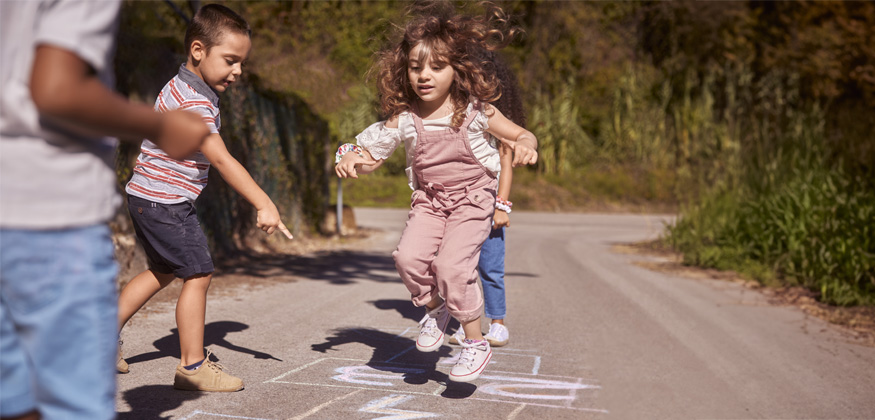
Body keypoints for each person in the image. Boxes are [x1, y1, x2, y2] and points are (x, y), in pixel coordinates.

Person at [0, 0, 209, 418]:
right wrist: (159, 126)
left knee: (20, 402)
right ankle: (194, 363)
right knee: (70, 404)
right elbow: (57, 88)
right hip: (50, 214)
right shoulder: (187, 96)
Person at [335, 2, 537, 383]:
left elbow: (521, 134)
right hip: (429, 202)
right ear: (405, 70)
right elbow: (370, 155)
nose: (424, 76)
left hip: (473, 202)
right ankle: (436, 308)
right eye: (415, 67)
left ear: (456, 69)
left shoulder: (477, 111)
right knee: (407, 258)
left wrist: (527, 145)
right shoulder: (406, 118)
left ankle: (475, 342)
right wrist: (348, 157)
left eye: (436, 67)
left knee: (451, 267)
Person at [115, 4, 292, 392]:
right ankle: (192, 366)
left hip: (145, 196)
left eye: (242, 62)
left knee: (162, 270)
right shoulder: (195, 104)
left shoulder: (183, 87)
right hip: (166, 202)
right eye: (230, 60)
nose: (238, 71)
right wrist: (264, 202)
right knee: (198, 273)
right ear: (198, 50)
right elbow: (222, 160)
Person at [450, 51, 526, 348]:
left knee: (490, 268)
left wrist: (502, 206)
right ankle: (469, 323)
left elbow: (506, 168)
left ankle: (497, 323)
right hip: (462, 207)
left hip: (490, 208)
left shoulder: (497, 130)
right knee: (462, 267)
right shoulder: (459, 122)